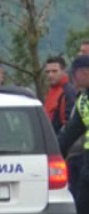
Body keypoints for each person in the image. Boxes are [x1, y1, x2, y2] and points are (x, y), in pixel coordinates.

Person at [58, 55, 89, 214]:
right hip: (86, 163)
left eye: (75, 72)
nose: (72, 77)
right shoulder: (83, 100)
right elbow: (69, 134)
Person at [44, 56, 79, 194]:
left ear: (63, 71)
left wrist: (60, 146)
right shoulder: (52, 91)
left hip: (62, 148)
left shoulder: (67, 92)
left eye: (54, 71)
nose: (50, 75)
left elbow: (69, 123)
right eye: (48, 72)